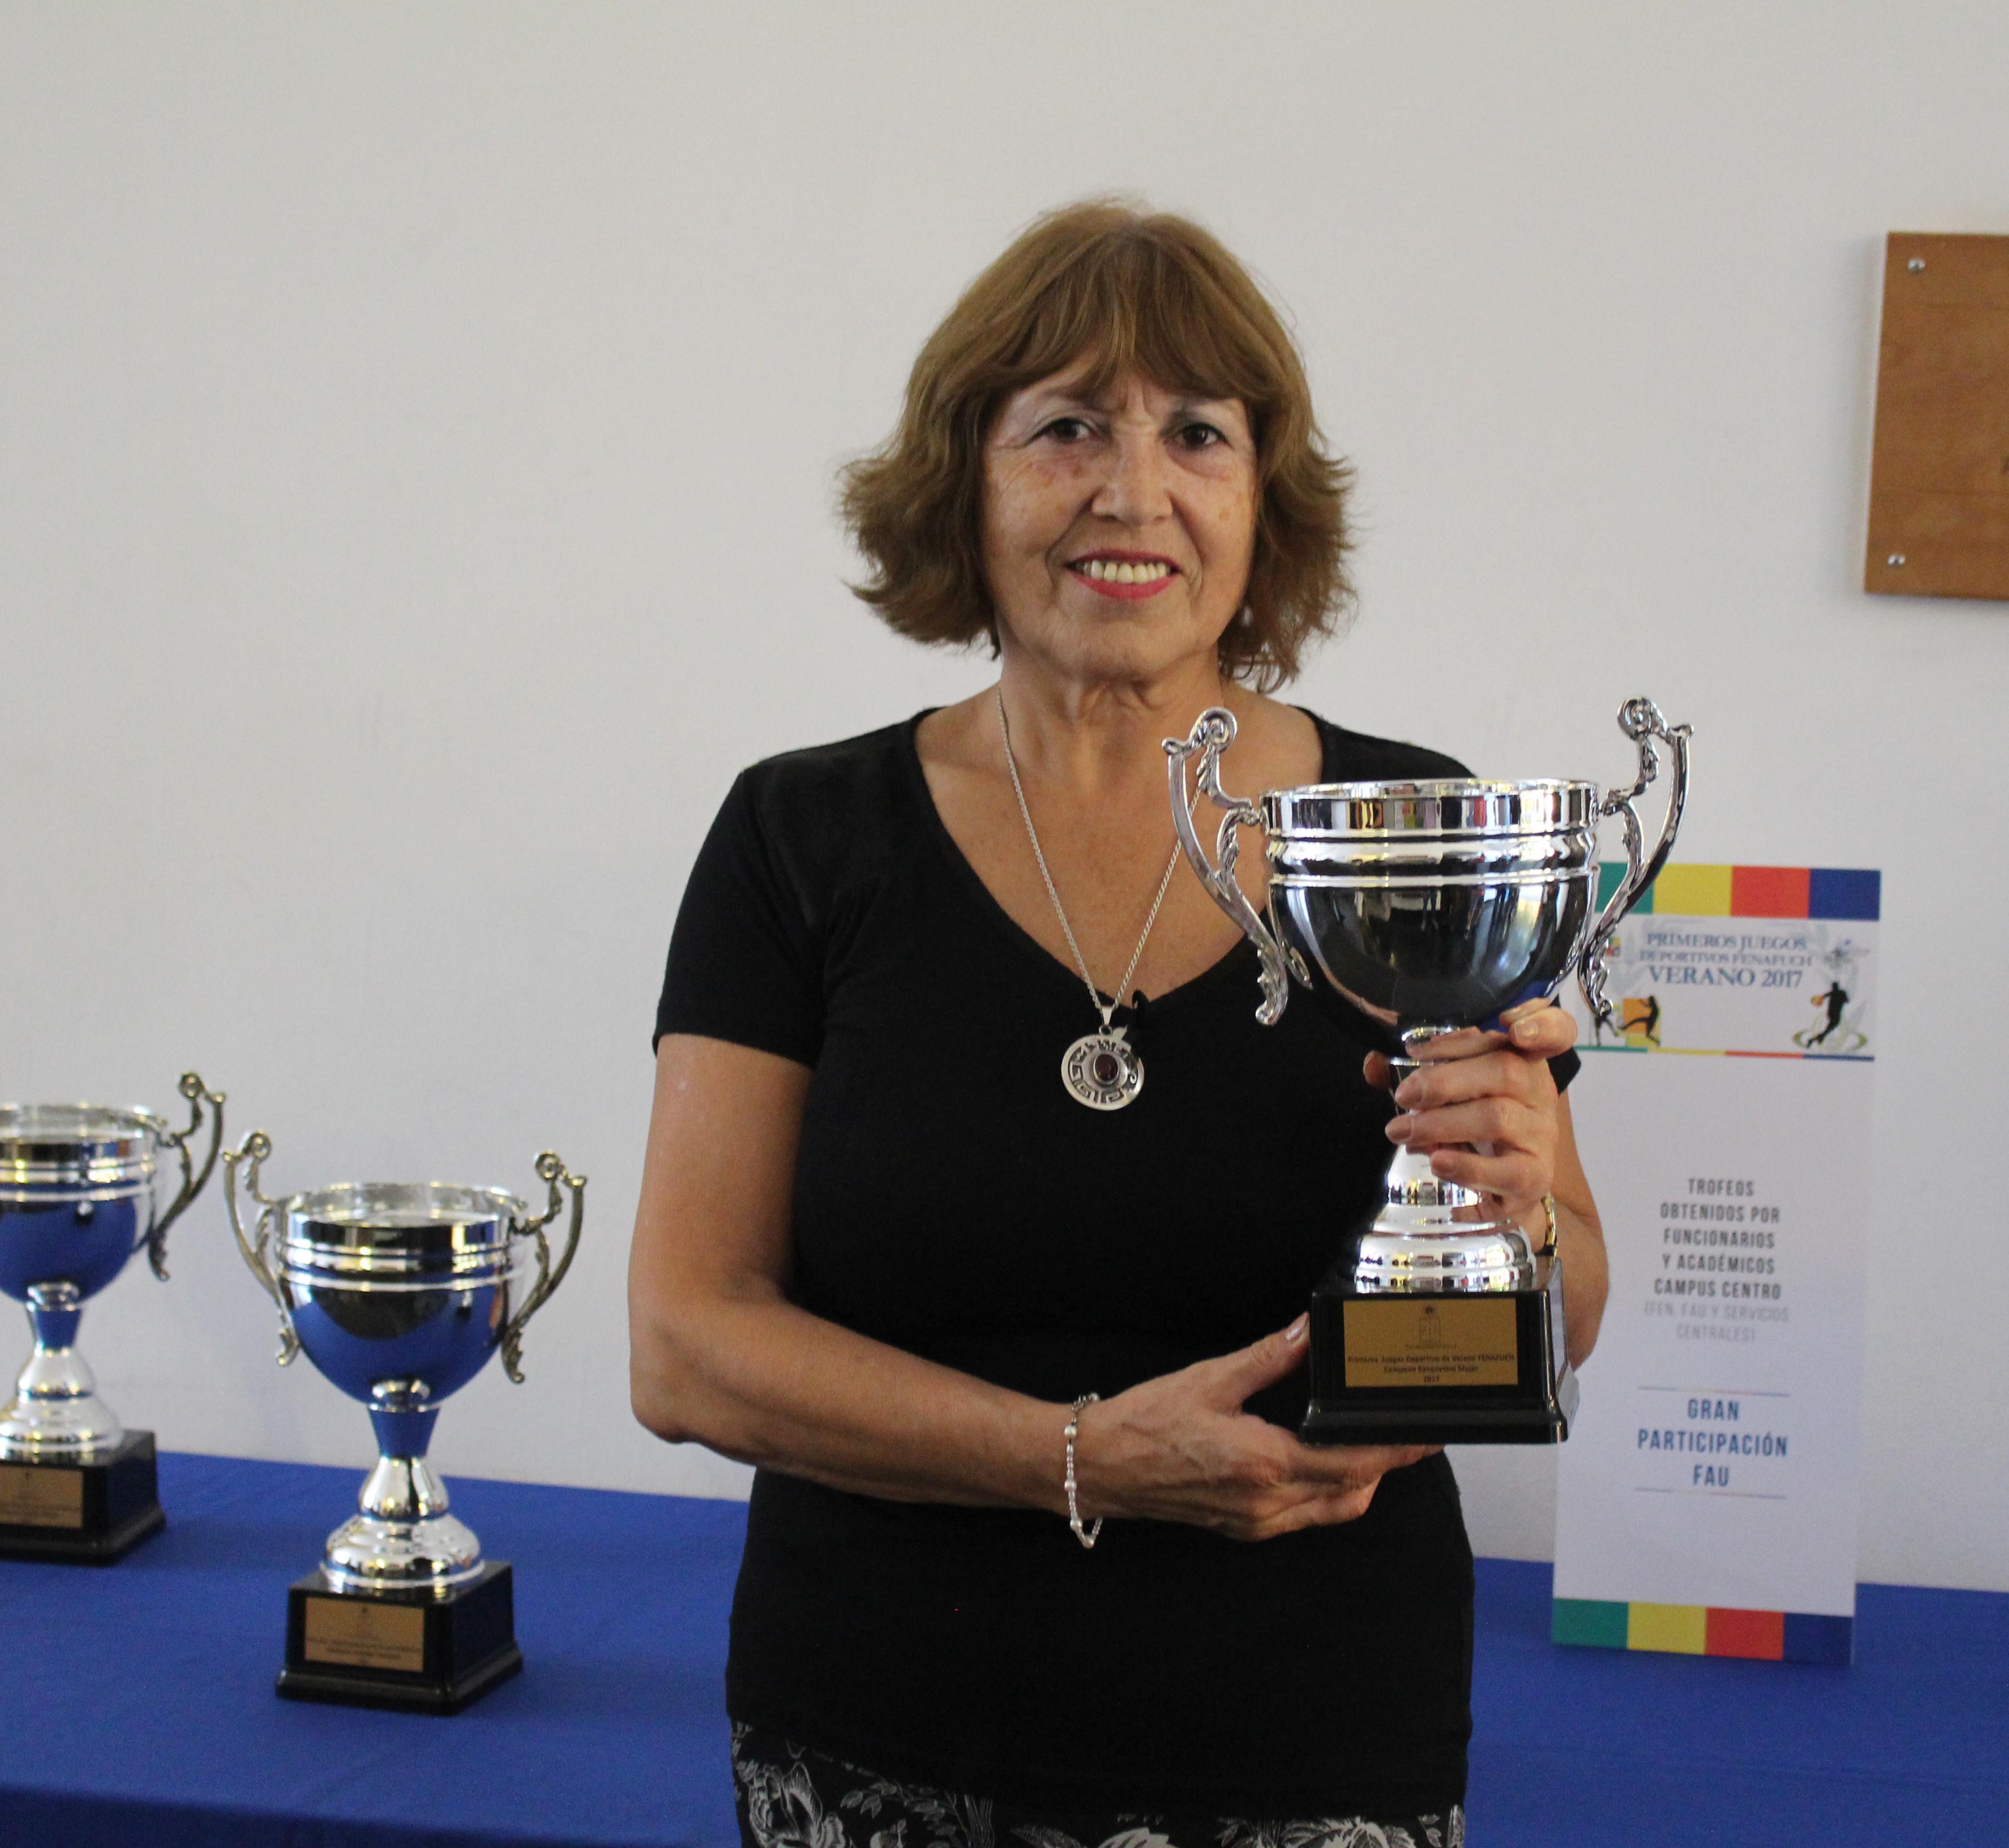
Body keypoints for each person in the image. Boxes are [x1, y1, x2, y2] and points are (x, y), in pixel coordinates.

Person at [629, 199, 1608, 1848]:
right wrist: (1081, 1457)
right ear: (966, 478)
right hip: (879, 1739)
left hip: (1316, 1744)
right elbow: (685, 1341)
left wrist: (1523, 1199)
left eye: (1196, 434)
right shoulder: (803, 839)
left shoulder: (1416, 830)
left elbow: (1567, 1304)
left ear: (1262, 498)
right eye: (1067, 425)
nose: (1130, 490)